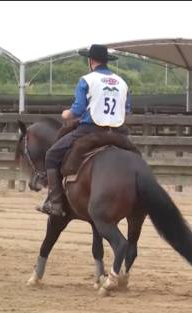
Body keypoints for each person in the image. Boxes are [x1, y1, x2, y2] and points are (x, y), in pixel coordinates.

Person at [38, 44, 131, 217]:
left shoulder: (87, 80)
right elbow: (126, 110)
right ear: (106, 61)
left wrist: (67, 114)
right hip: (117, 132)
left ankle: (55, 202)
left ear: (91, 60)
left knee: (52, 154)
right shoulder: (122, 82)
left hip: (91, 130)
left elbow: (78, 110)